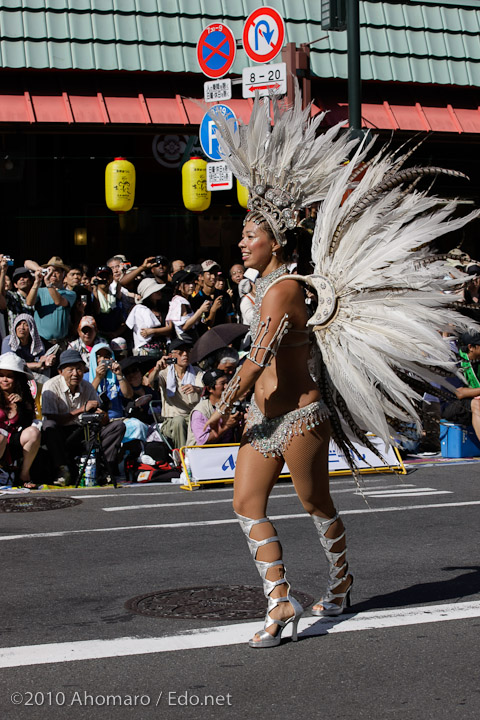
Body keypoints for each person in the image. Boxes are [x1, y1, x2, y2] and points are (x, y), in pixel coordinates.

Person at [41, 349, 125, 485]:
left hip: (83, 432)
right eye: (70, 370)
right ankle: (63, 470)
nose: (75, 374)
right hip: (61, 434)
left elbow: (103, 419)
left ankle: (104, 467)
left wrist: (101, 416)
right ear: (60, 371)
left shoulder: (87, 387)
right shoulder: (51, 386)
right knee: (49, 426)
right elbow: (52, 418)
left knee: (117, 426)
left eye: (79, 369)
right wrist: (81, 410)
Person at [148, 338, 203, 448]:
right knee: (179, 421)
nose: (185, 354)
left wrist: (196, 389)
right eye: (181, 352)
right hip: (171, 420)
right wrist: (157, 369)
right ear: (171, 356)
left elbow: (204, 387)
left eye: (187, 351)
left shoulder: (196, 371)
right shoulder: (165, 373)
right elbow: (151, 382)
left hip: (192, 417)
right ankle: (182, 456)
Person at [0, 353, 41, 488]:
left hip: (13, 441)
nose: (4, 380)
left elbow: (28, 423)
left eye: (9, 376)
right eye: (1, 375)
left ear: (17, 379)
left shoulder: (23, 399)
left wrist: (22, 405)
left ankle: (24, 475)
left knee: (33, 432)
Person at [25, 256, 76, 348]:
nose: (53, 274)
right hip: (41, 342)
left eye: (56, 271)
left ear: (63, 274)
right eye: (50, 270)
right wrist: (37, 281)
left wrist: (49, 284)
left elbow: (58, 301)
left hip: (61, 342)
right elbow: (29, 302)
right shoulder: (40, 291)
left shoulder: (70, 293)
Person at [186, 369, 241, 446]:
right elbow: (203, 440)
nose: (226, 386)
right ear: (210, 389)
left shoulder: (231, 405)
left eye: (227, 383)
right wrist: (226, 426)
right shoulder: (200, 412)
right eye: (222, 383)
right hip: (202, 455)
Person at [1, 313, 56, 381]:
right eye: (19, 324)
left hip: (32, 372)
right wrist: (36, 365)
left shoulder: (37, 342)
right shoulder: (8, 341)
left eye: (26, 325)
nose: (22, 328)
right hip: (15, 372)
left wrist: (47, 361)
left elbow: (40, 361)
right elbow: (11, 364)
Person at [125, 278, 172, 357]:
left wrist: (152, 331)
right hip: (146, 353)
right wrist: (159, 331)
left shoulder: (164, 307)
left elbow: (169, 329)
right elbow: (144, 334)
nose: (159, 292)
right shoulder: (140, 310)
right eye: (155, 291)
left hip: (163, 350)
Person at [88, 343, 133, 419]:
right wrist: (98, 378)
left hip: (118, 418)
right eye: (98, 356)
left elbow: (129, 395)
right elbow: (86, 398)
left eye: (106, 357)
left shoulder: (115, 376)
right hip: (98, 420)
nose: (102, 360)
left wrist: (119, 375)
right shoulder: (86, 376)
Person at [166, 270, 211, 342]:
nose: (191, 286)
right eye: (187, 283)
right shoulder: (179, 301)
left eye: (193, 282)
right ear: (178, 287)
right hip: (185, 340)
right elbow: (185, 326)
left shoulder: (185, 300)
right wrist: (200, 310)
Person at [0, 264, 35, 334]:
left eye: (25, 277)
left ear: (31, 281)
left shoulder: (37, 297)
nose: (21, 279)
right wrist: (3, 271)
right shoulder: (12, 296)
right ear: (15, 285)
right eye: (18, 278)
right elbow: (1, 293)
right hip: (15, 339)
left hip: (33, 338)